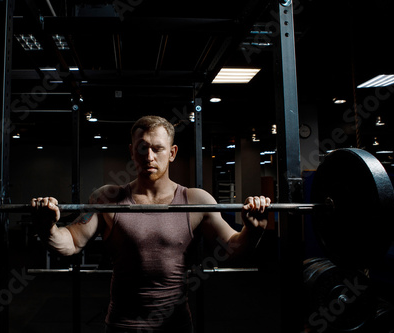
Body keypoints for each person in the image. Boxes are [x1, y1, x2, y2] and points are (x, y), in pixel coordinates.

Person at [31, 115, 271, 333]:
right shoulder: (107, 198)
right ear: (131, 151)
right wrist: (47, 228)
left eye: (158, 149)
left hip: (176, 325)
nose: (149, 157)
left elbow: (231, 251)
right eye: (142, 148)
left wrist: (253, 231)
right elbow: (71, 242)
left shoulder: (196, 200)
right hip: (121, 325)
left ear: (173, 152)